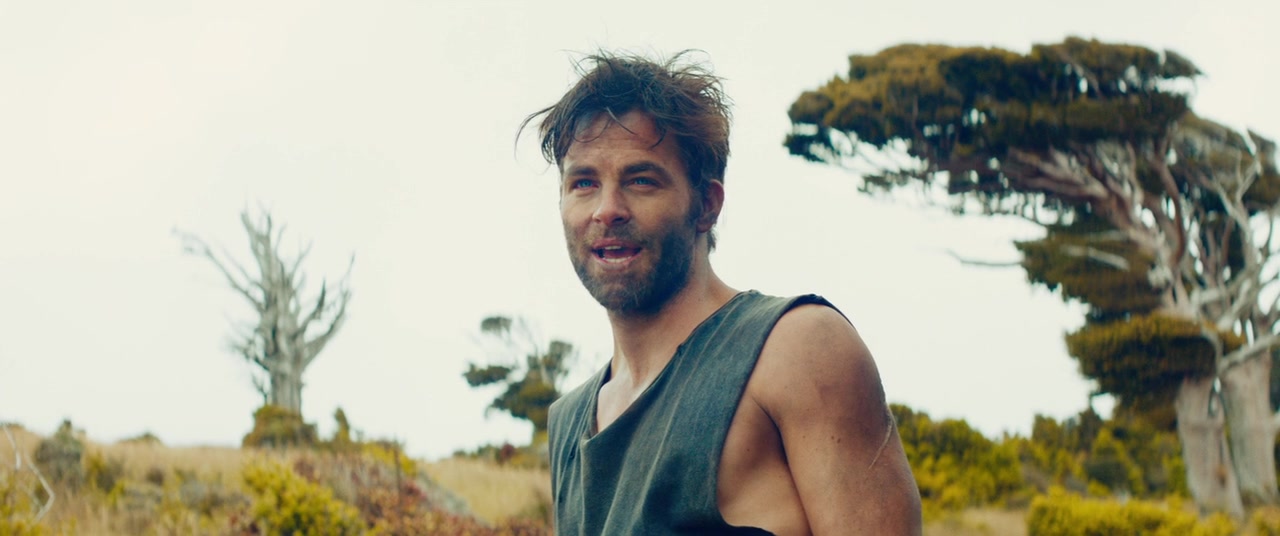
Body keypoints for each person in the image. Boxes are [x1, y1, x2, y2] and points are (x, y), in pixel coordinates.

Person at [523, 51, 922, 535]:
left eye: (642, 180)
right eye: (583, 183)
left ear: (707, 206)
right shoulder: (568, 422)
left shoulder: (797, 351)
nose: (607, 210)